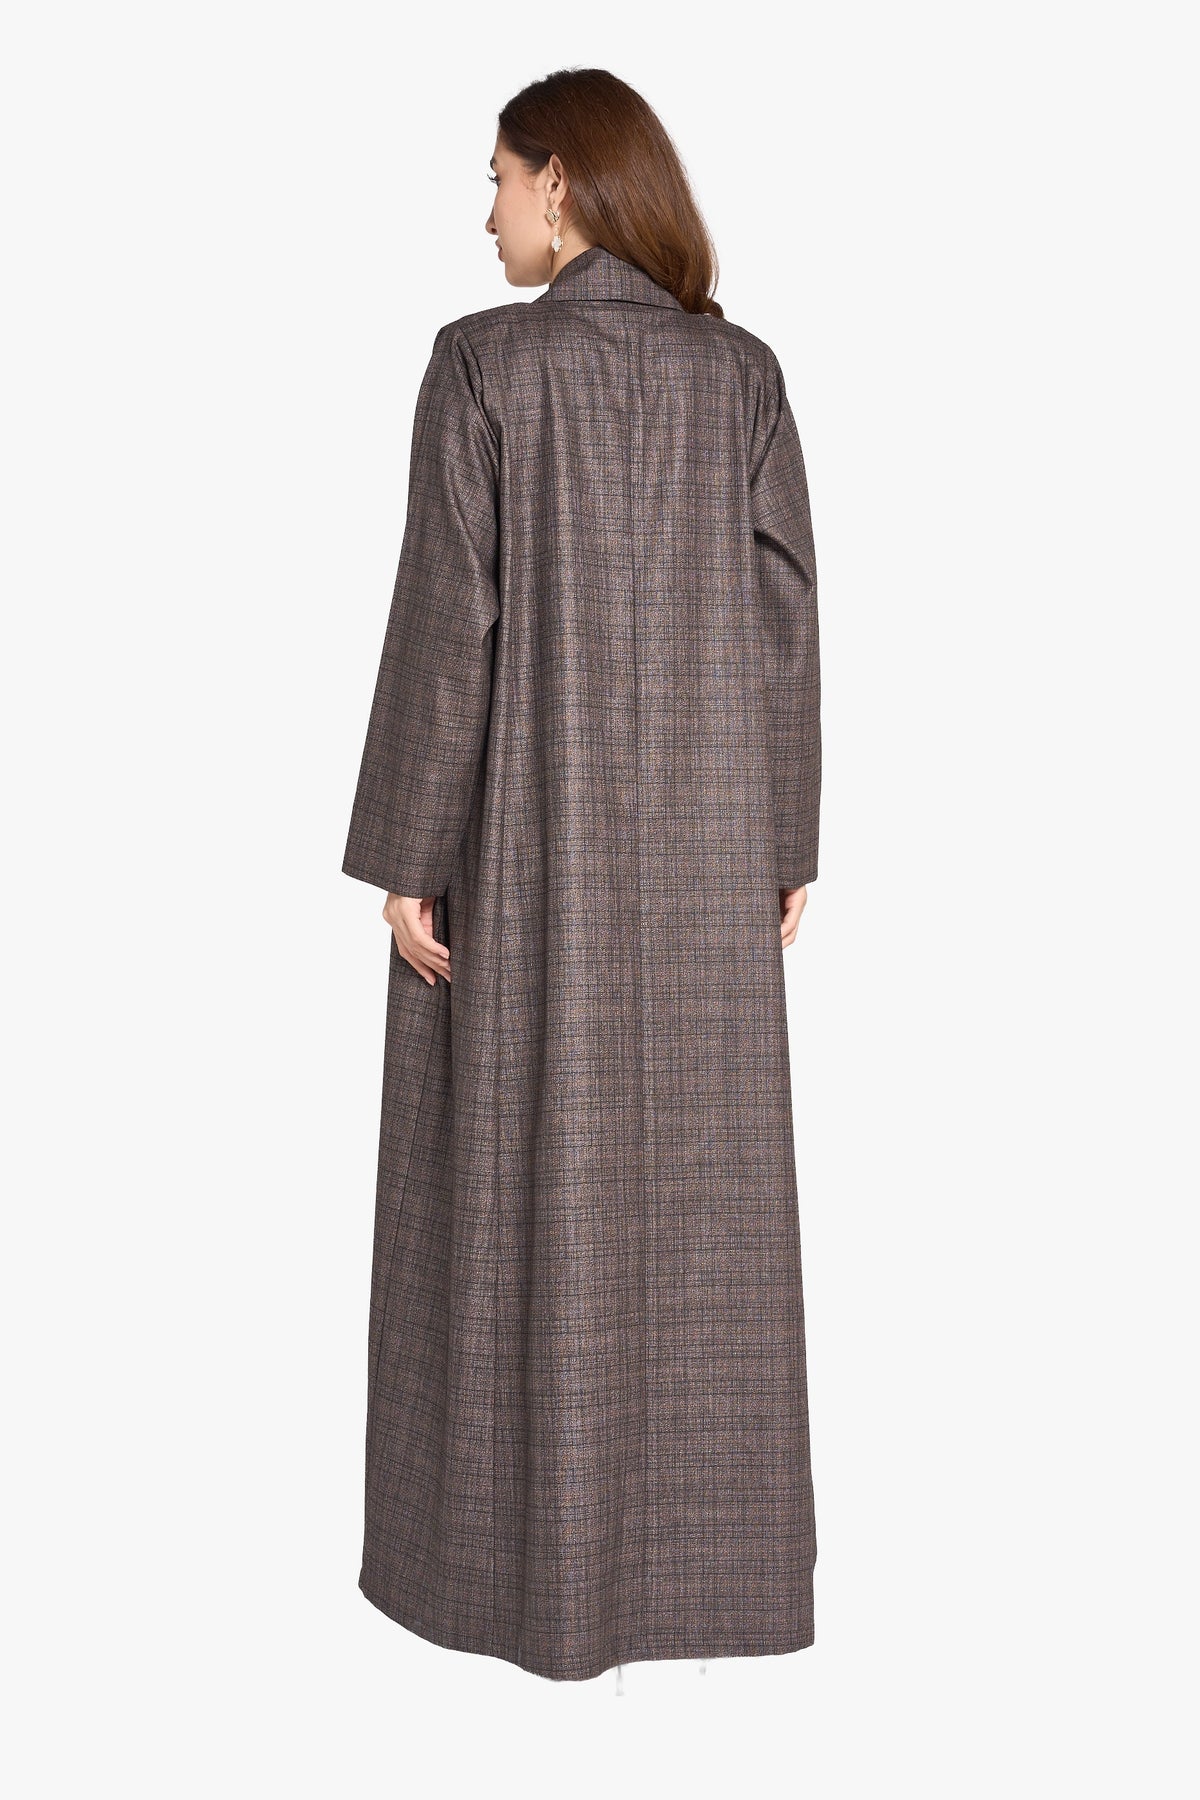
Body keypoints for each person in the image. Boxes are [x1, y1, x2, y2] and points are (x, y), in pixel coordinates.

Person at [341, 67, 822, 1689]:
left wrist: (409, 859)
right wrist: (783, 840)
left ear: (561, 181)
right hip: (703, 864)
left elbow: (447, 626)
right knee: (697, 1215)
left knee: (508, 1192)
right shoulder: (742, 377)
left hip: (526, 855)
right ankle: (702, 1574)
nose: (484, 211)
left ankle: (508, 1574)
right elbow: (785, 624)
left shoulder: (484, 366)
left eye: (495, 176)